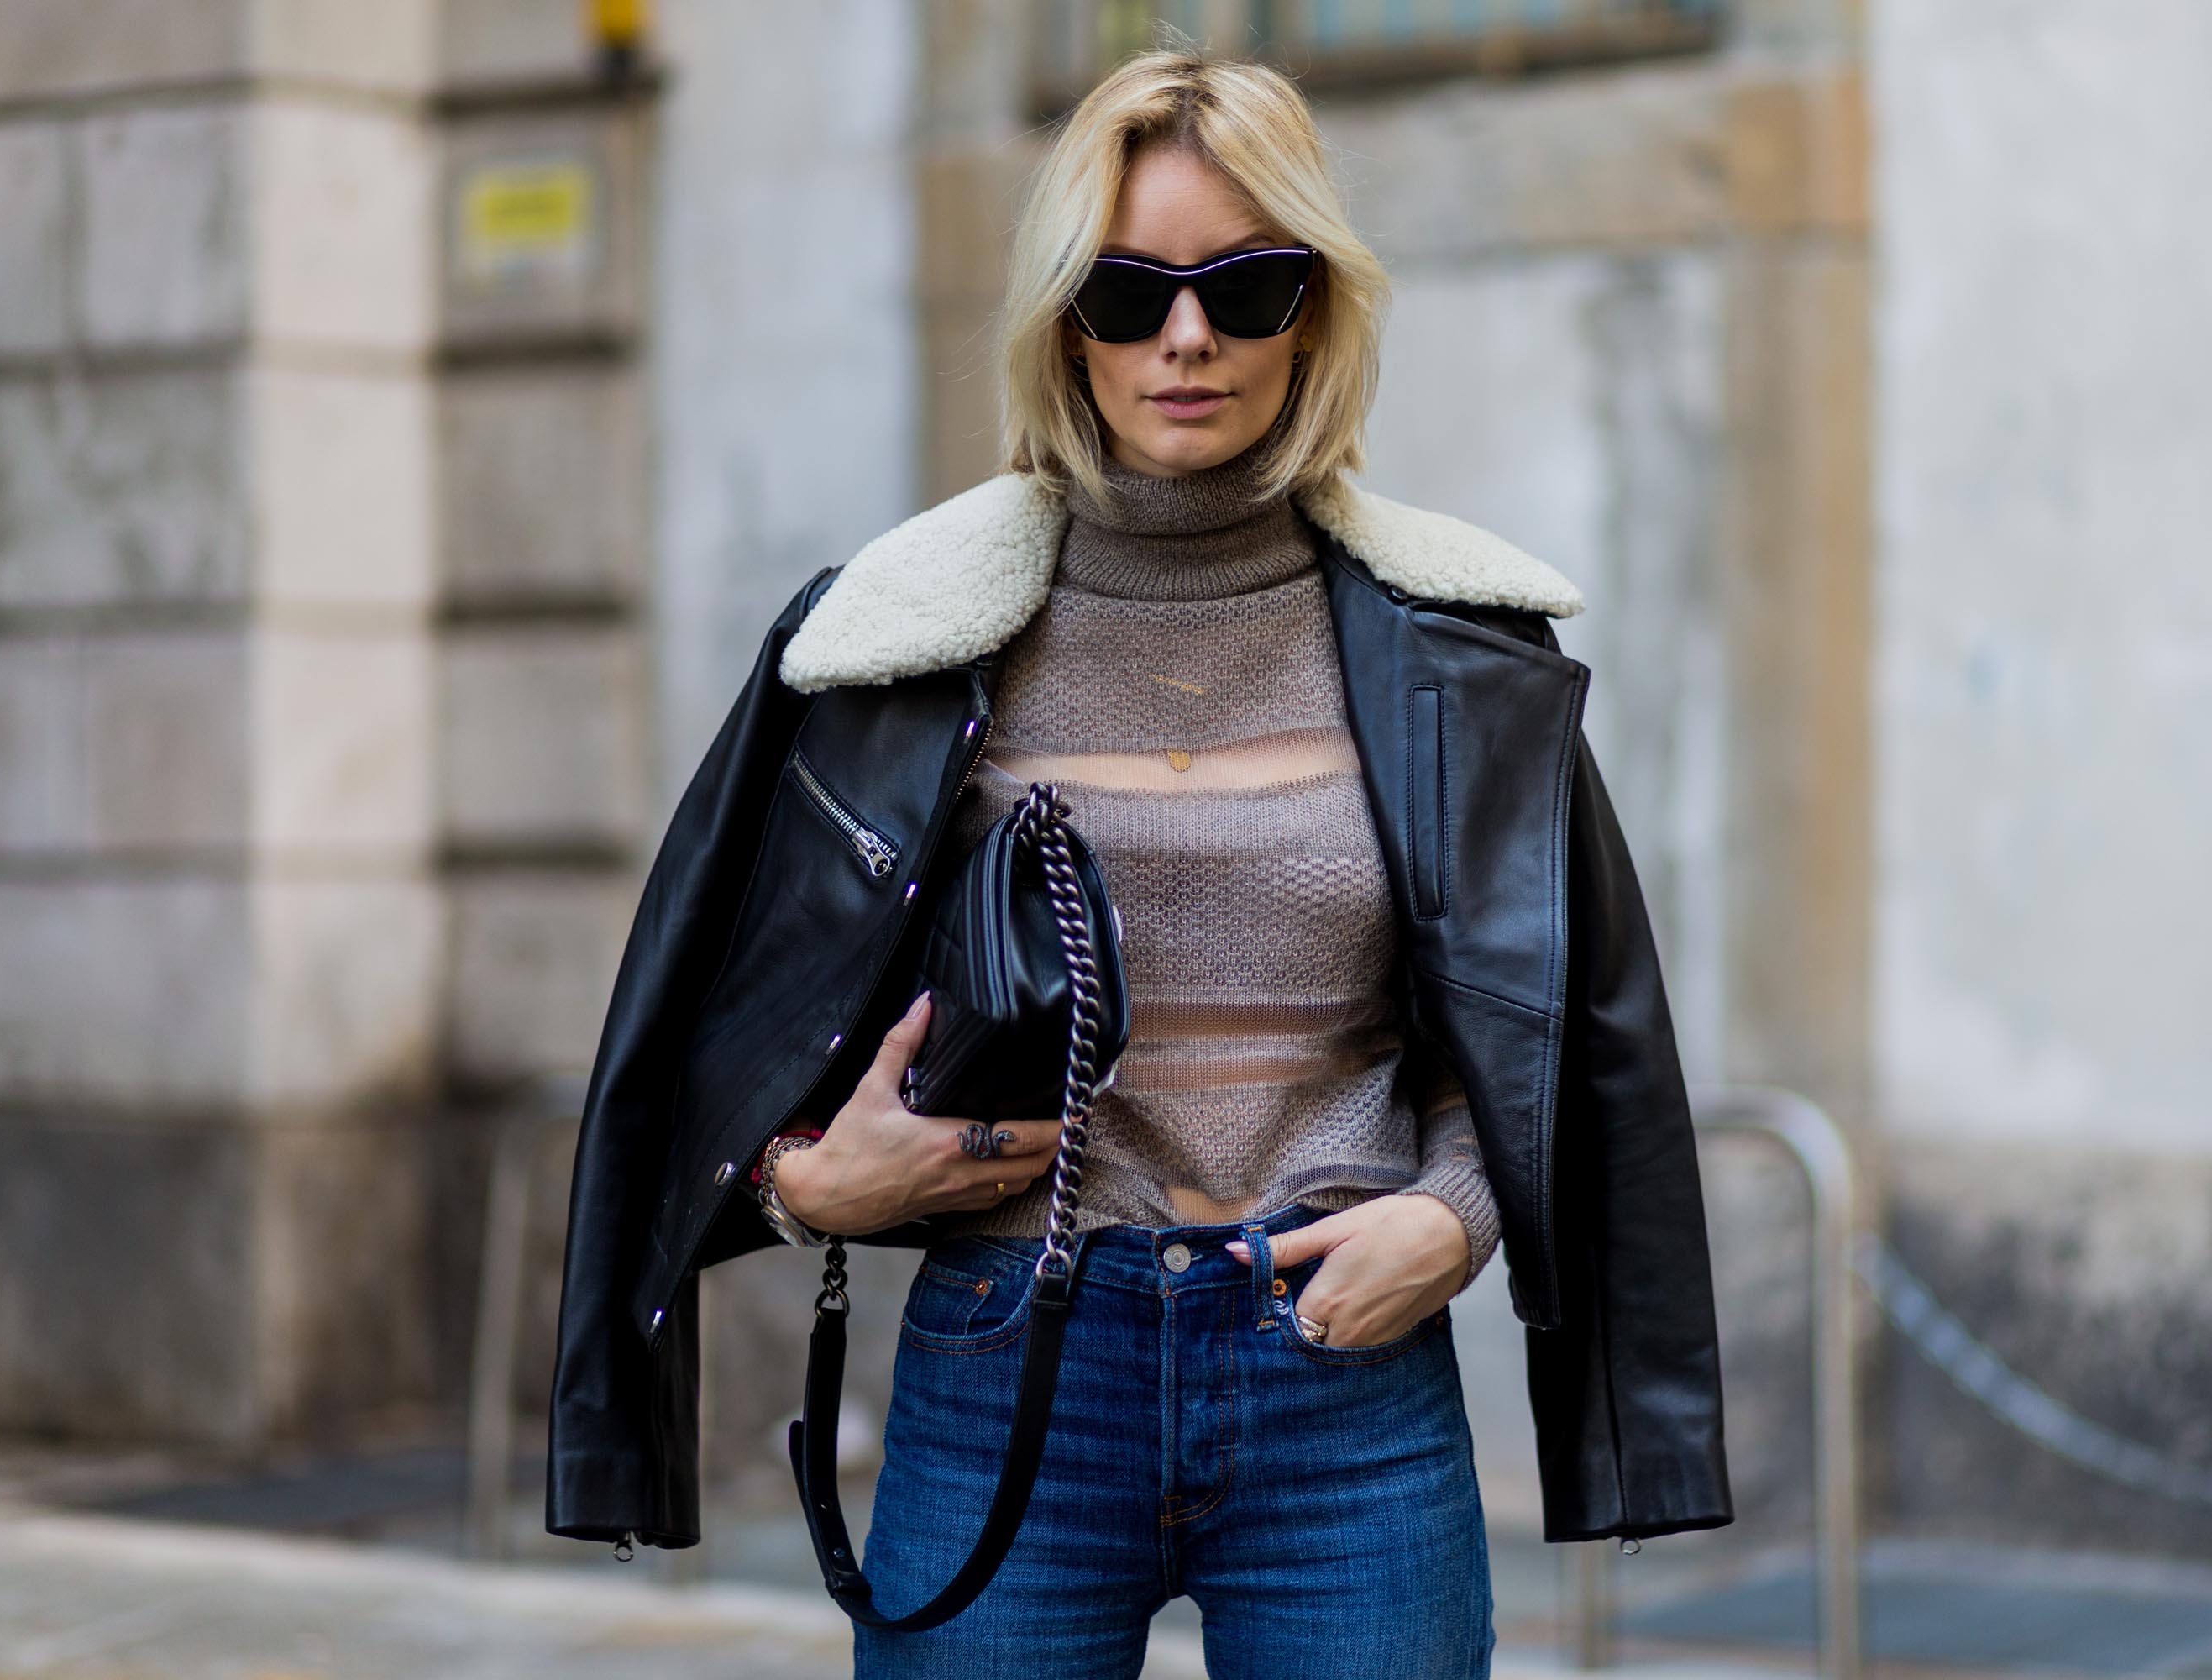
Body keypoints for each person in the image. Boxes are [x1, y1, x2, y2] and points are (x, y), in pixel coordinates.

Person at [545, 43, 1731, 1680]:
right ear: (1062, 320)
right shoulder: (891, 639)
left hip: (1342, 1378)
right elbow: (696, 1027)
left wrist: (1453, 1221)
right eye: (1128, 290)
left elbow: (1549, 1020)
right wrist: (810, 1181)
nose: (1188, 335)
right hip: (1007, 1355)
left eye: (1247, 285)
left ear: (1314, 309)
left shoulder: (1457, 647)